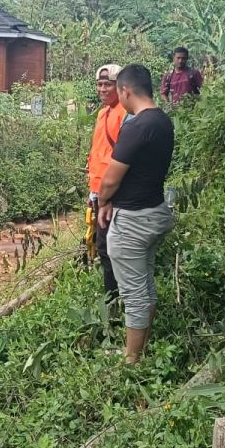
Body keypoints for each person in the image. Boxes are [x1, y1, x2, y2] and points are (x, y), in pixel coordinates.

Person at [97, 64, 176, 363]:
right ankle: (141, 344)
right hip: (155, 212)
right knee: (145, 283)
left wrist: (104, 200)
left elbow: (111, 178)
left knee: (133, 292)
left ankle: (132, 358)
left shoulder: (137, 125)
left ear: (125, 91)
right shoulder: (163, 121)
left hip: (134, 220)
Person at [85, 64, 126, 305]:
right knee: (102, 246)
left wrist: (107, 197)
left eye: (107, 84)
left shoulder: (123, 113)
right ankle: (112, 298)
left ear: (119, 86)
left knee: (109, 247)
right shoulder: (103, 113)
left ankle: (115, 301)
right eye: (100, 84)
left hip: (111, 194)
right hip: (98, 191)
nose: (102, 88)